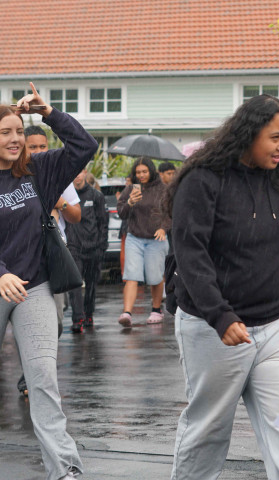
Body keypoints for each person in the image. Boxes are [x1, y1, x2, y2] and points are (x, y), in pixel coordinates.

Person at [166, 94, 279, 480]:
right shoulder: (203, 179)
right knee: (208, 431)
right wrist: (220, 315)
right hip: (215, 328)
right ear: (248, 133)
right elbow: (191, 253)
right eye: (275, 137)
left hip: (275, 328)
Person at [0, 83, 97, 479]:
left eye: (18, 131)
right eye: (5, 132)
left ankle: (66, 470)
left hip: (34, 286)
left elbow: (84, 147)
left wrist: (48, 112)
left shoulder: (39, 170)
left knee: (43, 382)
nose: (15, 139)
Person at [16, 125, 82, 396]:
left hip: (50, 261)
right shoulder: (13, 176)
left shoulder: (56, 174)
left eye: (43, 146)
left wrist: (60, 203)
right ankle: (30, 376)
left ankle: (33, 373)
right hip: (14, 266)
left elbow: (77, 216)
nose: (40, 151)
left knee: (53, 322)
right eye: (33, 147)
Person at [117, 157, 169, 326]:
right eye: (138, 172)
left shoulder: (162, 189)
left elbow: (171, 212)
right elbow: (121, 212)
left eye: (144, 171)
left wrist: (163, 228)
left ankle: (156, 310)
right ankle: (127, 312)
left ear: (151, 171)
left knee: (155, 277)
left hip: (156, 239)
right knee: (131, 275)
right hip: (134, 237)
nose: (141, 175)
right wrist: (130, 202)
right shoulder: (131, 189)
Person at [65, 168, 108, 332]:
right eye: (74, 171)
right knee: (75, 283)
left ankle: (88, 313)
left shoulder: (96, 196)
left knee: (91, 285)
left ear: (85, 172)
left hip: (93, 247)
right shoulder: (66, 197)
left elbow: (103, 223)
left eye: (80, 171)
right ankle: (77, 318)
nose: (76, 175)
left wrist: (101, 246)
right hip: (74, 247)